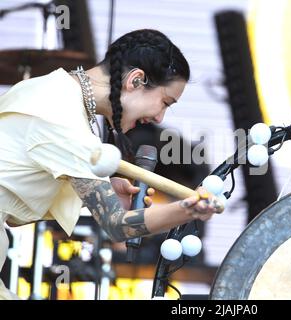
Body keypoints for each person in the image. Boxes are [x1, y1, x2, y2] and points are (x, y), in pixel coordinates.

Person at [0, 29, 223, 299]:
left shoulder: (53, 90)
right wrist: (189, 210)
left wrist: (91, 195)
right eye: (164, 102)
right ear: (136, 80)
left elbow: (13, 191)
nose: (160, 118)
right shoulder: (62, 114)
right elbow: (118, 226)